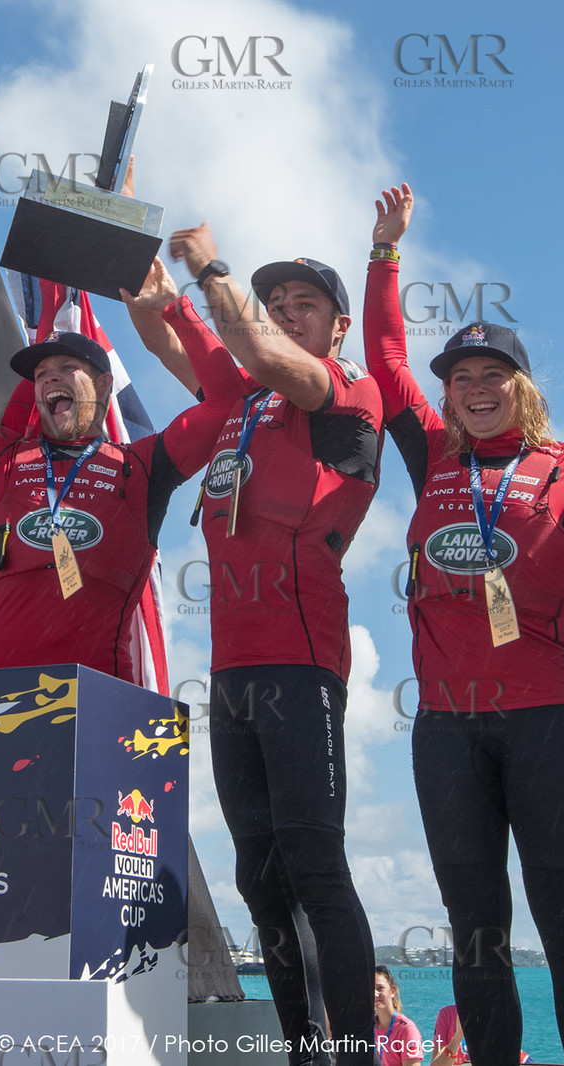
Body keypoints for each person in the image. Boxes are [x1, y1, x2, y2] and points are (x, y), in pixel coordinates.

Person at [366, 185, 564, 1066]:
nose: (475, 389)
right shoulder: (435, 456)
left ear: (523, 389)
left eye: (493, 376)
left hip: (547, 722)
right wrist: (385, 251)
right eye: (461, 378)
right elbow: (382, 359)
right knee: (475, 928)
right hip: (447, 730)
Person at [123, 224, 383, 1065]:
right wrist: (141, 277)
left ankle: (351, 1052)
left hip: (302, 661)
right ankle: (304, 1049)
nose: (285, 314)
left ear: (337, 326)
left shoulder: (344, 391)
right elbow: (170, 337)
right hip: (231, 671)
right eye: (275, 304)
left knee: (315, 865)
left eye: (304, 305)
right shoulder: (245, 401)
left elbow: (264, 356)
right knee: (259, 880)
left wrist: (208, 266)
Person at [0, 262, 232, 683]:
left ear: (103, 385)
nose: (49, 377)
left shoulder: (144, 465)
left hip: (101, 701)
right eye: (40, 374)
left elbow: (226, 403)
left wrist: (174, 308)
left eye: (67, 368)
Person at [373, 965, 424, 1066]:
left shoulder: (406, 1029)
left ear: (392, 990)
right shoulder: (367, 1027)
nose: (375, 994)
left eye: (380, 989)